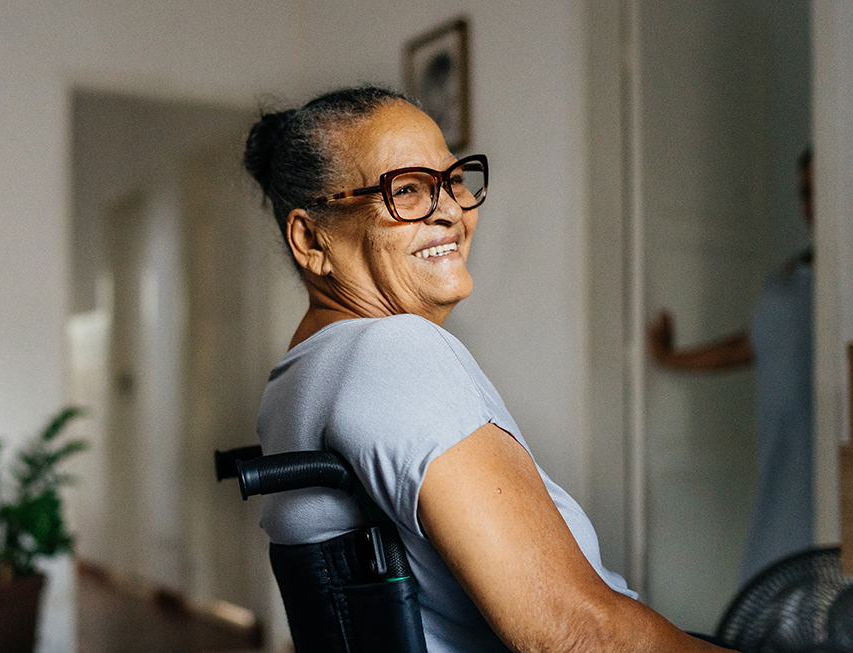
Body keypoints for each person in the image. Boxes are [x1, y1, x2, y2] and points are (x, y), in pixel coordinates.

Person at [245, 86, 728, 652]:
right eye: (405, 190)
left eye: (453, 181)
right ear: (311, 239)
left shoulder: (294, 382)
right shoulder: (394, 350)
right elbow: (577, 635)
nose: (451, 210)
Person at [648, 149, 814, 583]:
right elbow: (749, 344)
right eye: (804, 191)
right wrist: (670, 358)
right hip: (782, 466)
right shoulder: (789, 275)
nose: (811, 203)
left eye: (821, 188)